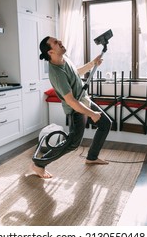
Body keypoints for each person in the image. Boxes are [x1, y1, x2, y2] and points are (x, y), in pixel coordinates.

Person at [32, 36, 112, 178]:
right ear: (50, 52)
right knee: (73, 144)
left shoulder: (64, 57)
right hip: (76, 108)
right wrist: (92, 114)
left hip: (84, 100)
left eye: (58, 40)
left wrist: (93, 63)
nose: (60, 42)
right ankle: (39, 164)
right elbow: (71, 101)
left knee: (105, 123)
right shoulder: (57, 74)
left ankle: (92, 157)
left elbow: (76, 72)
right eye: (56, 43)